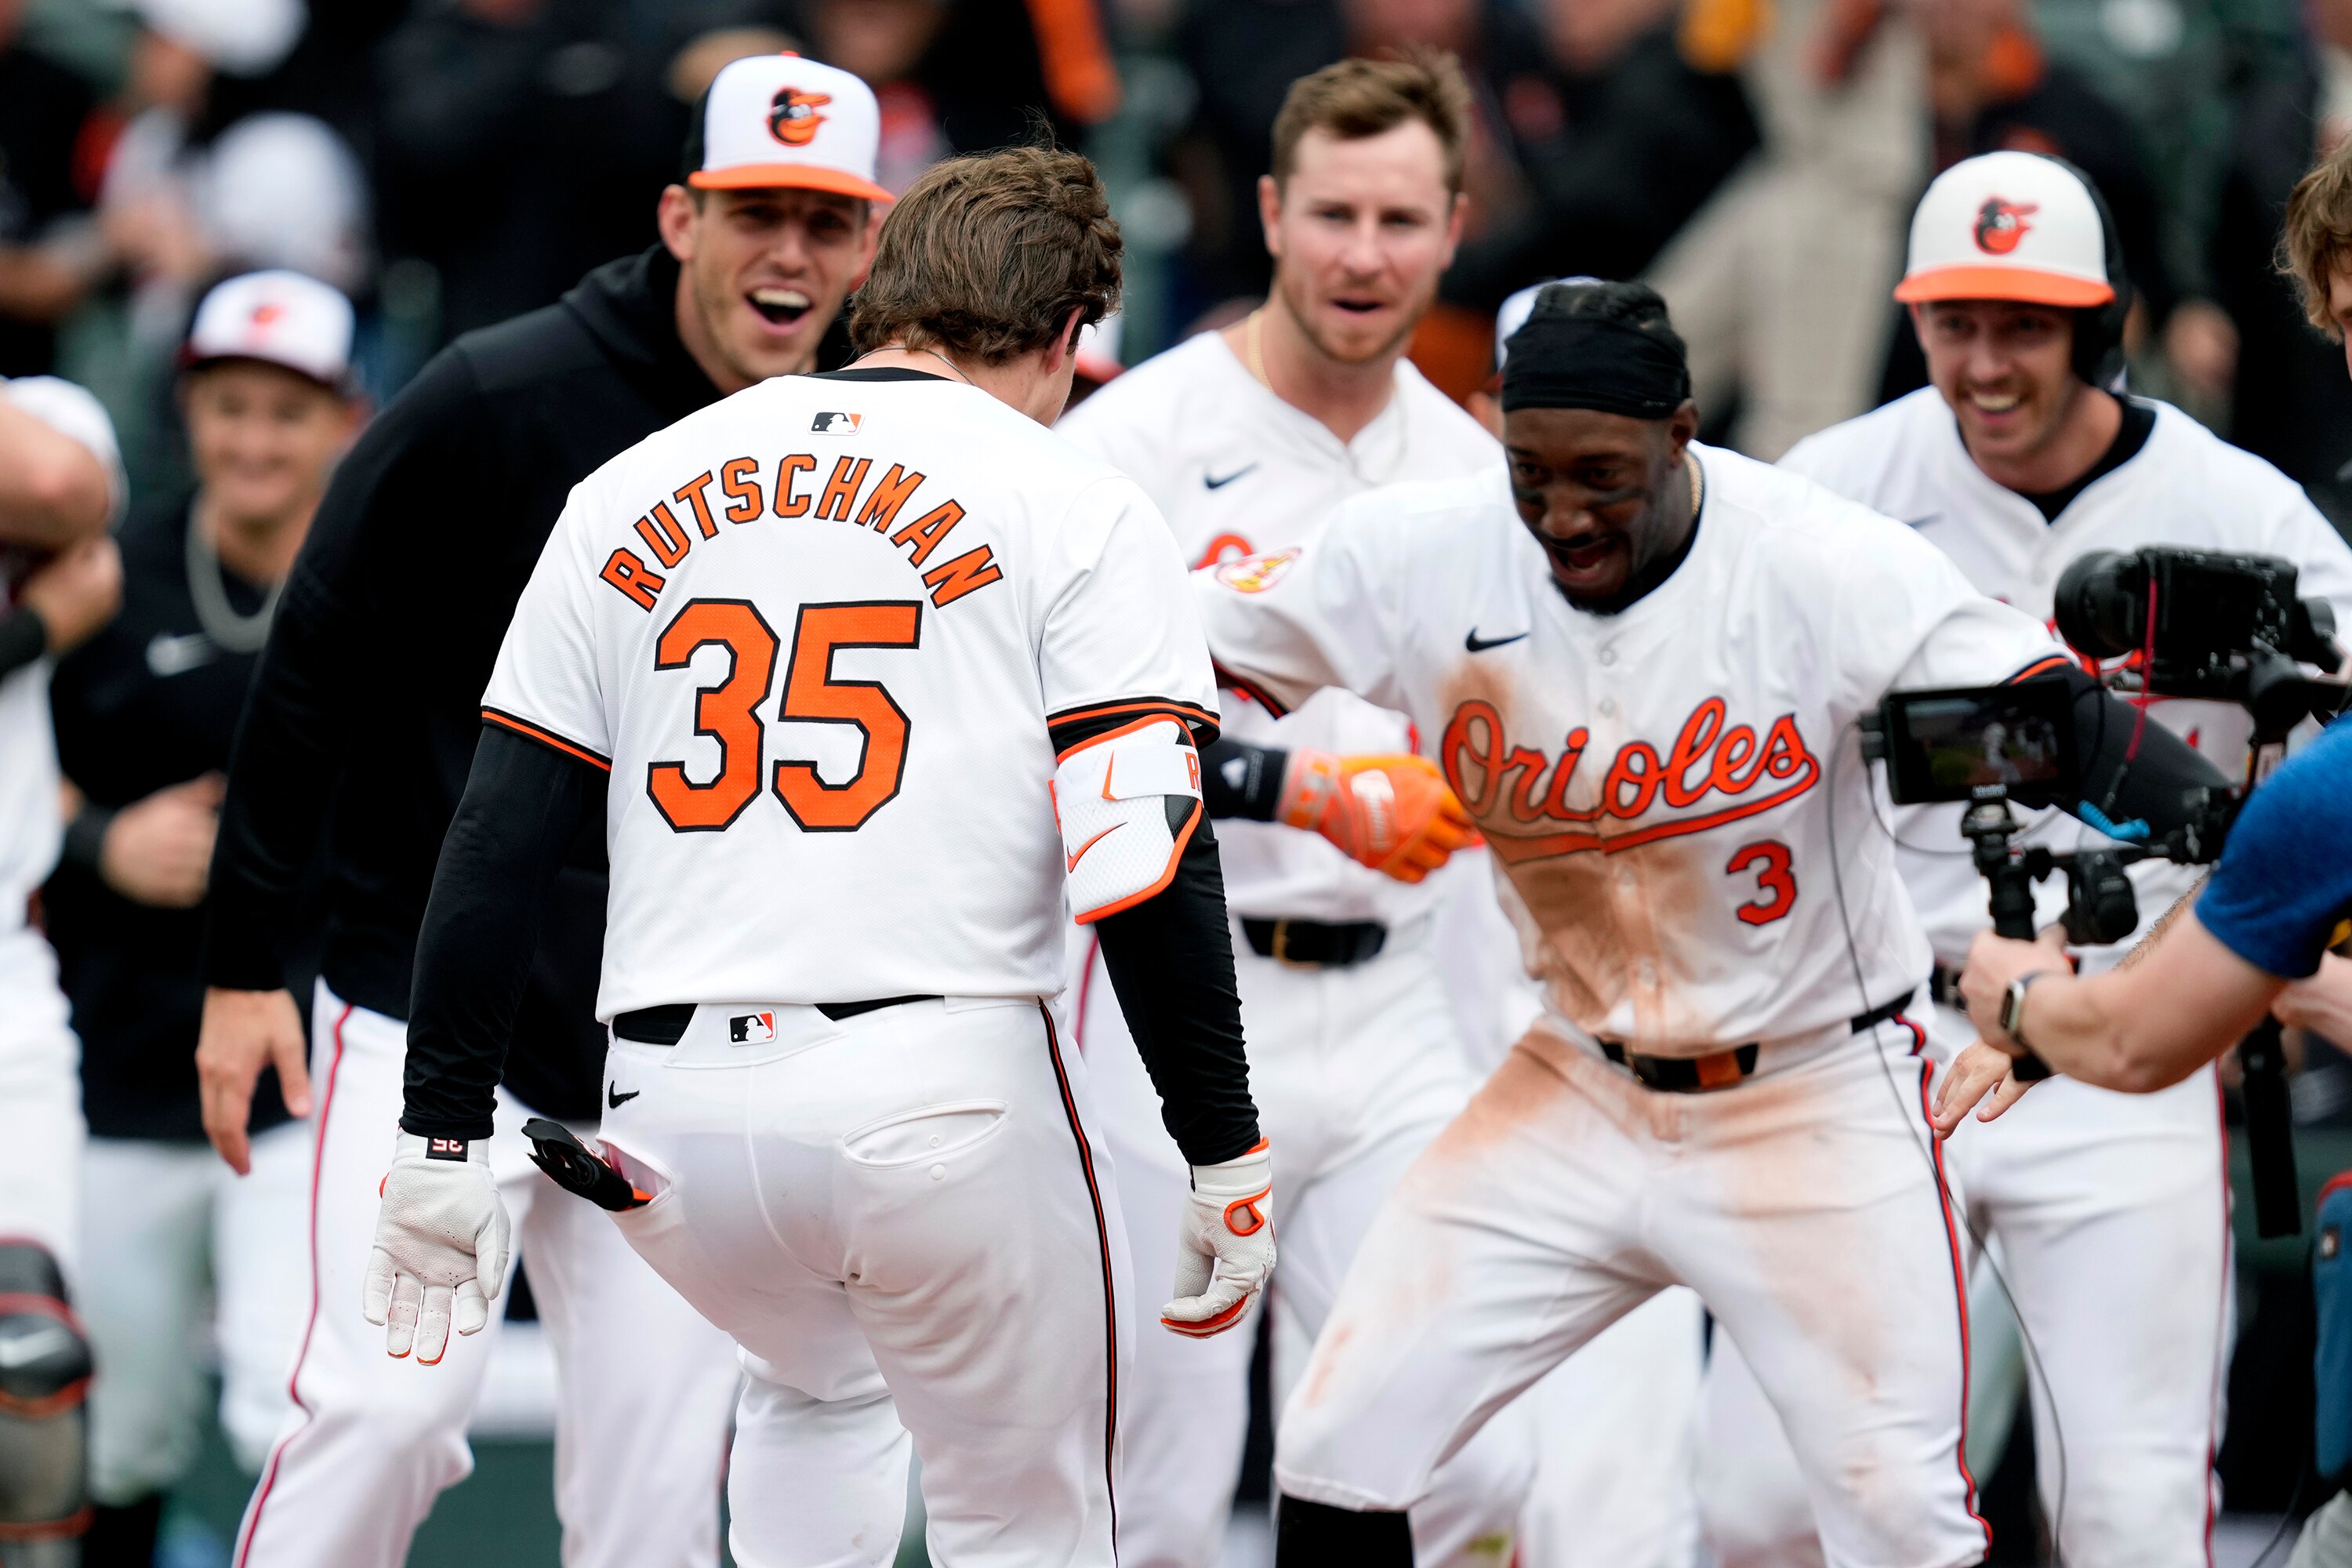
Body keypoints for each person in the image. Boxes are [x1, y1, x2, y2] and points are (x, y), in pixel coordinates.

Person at [1189, 278, 2231, 1568]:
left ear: (1684, 433)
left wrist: (2239, 832)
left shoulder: (1817, 557)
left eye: (1602, 473)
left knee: (1898, 1518)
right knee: (1339, 1443)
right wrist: (1254, 778)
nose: (1563, 511)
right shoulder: (1421, 548)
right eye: (1530, 470)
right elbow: (1171, 657)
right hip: (1570, 1082)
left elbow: (2054, 719)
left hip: (1812, 1091)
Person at [374, 142, 1266, 1568]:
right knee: (1027, 1523)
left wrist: (437, 1134)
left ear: (874, 294)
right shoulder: (1073, 498)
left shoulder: (635, 481)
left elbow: (496, 840)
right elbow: (1144, 864)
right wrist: (1223, 1143)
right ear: (1062, 336)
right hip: (940, 1097)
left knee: (811, 1400)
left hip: (667, 1116)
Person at [193, 53, 889, 1568]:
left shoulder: (886, 439)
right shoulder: (504, 393)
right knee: (382, 1416)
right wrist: (248, 961)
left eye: (827, 223)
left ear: (873, 243)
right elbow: (311, 657)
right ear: (681, 215)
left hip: (689, 1052)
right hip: (431, 1008)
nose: (790, 254)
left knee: (650, 1511)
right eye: (758, 211)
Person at [1692, 148, 2352, 1568]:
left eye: (2027, 325)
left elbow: (2337, 751)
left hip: (2133, 1027)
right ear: (1914, 316)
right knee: (1753, 1504)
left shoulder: (2238, 506)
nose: (1987, 361)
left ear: (2097, 325)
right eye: (1957, 321)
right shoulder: (1833, 488)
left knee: (2127, 1508)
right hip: (1880, 1037)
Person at [1052, 52, 1529, 1566]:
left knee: (1468, 1467)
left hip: (1401, 999)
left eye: (1401, 219)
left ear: (1455, 226)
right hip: (1181, 977)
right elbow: (1037, 719)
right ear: (1267, 210)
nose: (1364, 256)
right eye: (1333, 212)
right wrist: (1307, 788)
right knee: (1162, 1486)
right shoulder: (1128, 439)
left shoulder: (1475, 471)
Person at [45, 270, 362, 1566]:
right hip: (120, 1063)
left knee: (299, 1410)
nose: (253, 439)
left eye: (286, 413)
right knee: (116, 1431)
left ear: (346, 420)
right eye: (228, 406)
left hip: (306, 1070)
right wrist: (102, 842)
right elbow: (27, 785)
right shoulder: (113, 583)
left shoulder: (383, 588)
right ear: (190, 409)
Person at [0, 368, 122, 1566]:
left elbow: (59, 485)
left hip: (4, 966)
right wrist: (38, 628)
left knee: (30, 1351)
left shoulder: (38, 412)